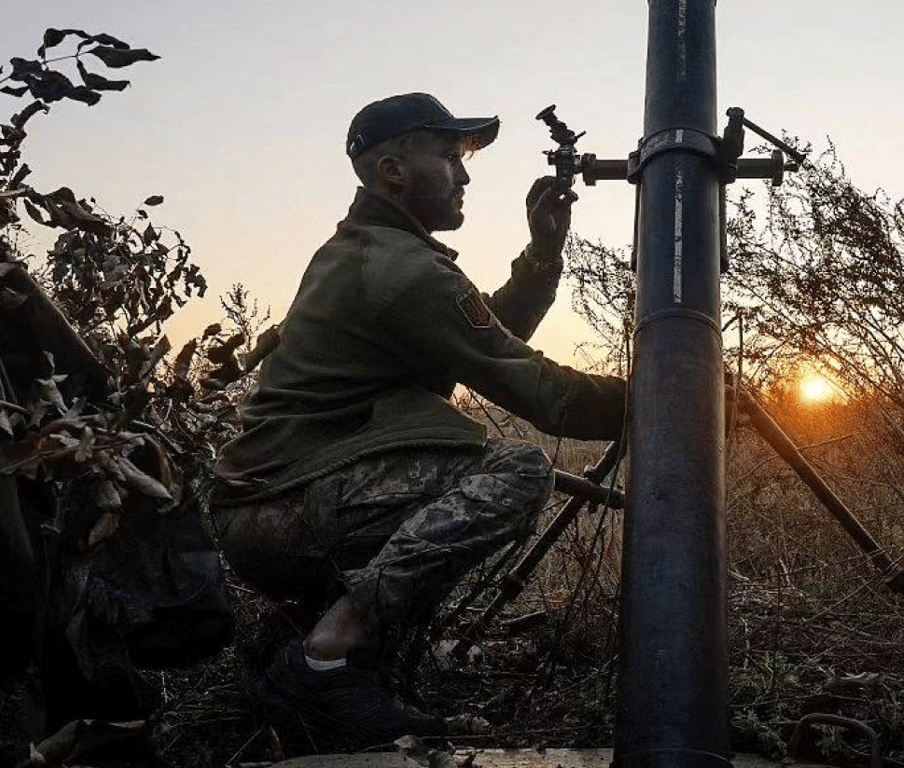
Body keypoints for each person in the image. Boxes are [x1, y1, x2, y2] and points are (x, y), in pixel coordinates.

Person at [211, 93, 625, 748]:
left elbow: (474, 342)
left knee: (451, 503)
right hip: (286, 508)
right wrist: (670, 397)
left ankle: (329, 688)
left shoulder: (369, 251)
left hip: (275, 503)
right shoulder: (401, 269)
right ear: (394, 172)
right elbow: (545, 394)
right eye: (450, 157)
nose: (463, 176)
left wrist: (542, 254)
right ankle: (327, 655)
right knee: (515, 472)